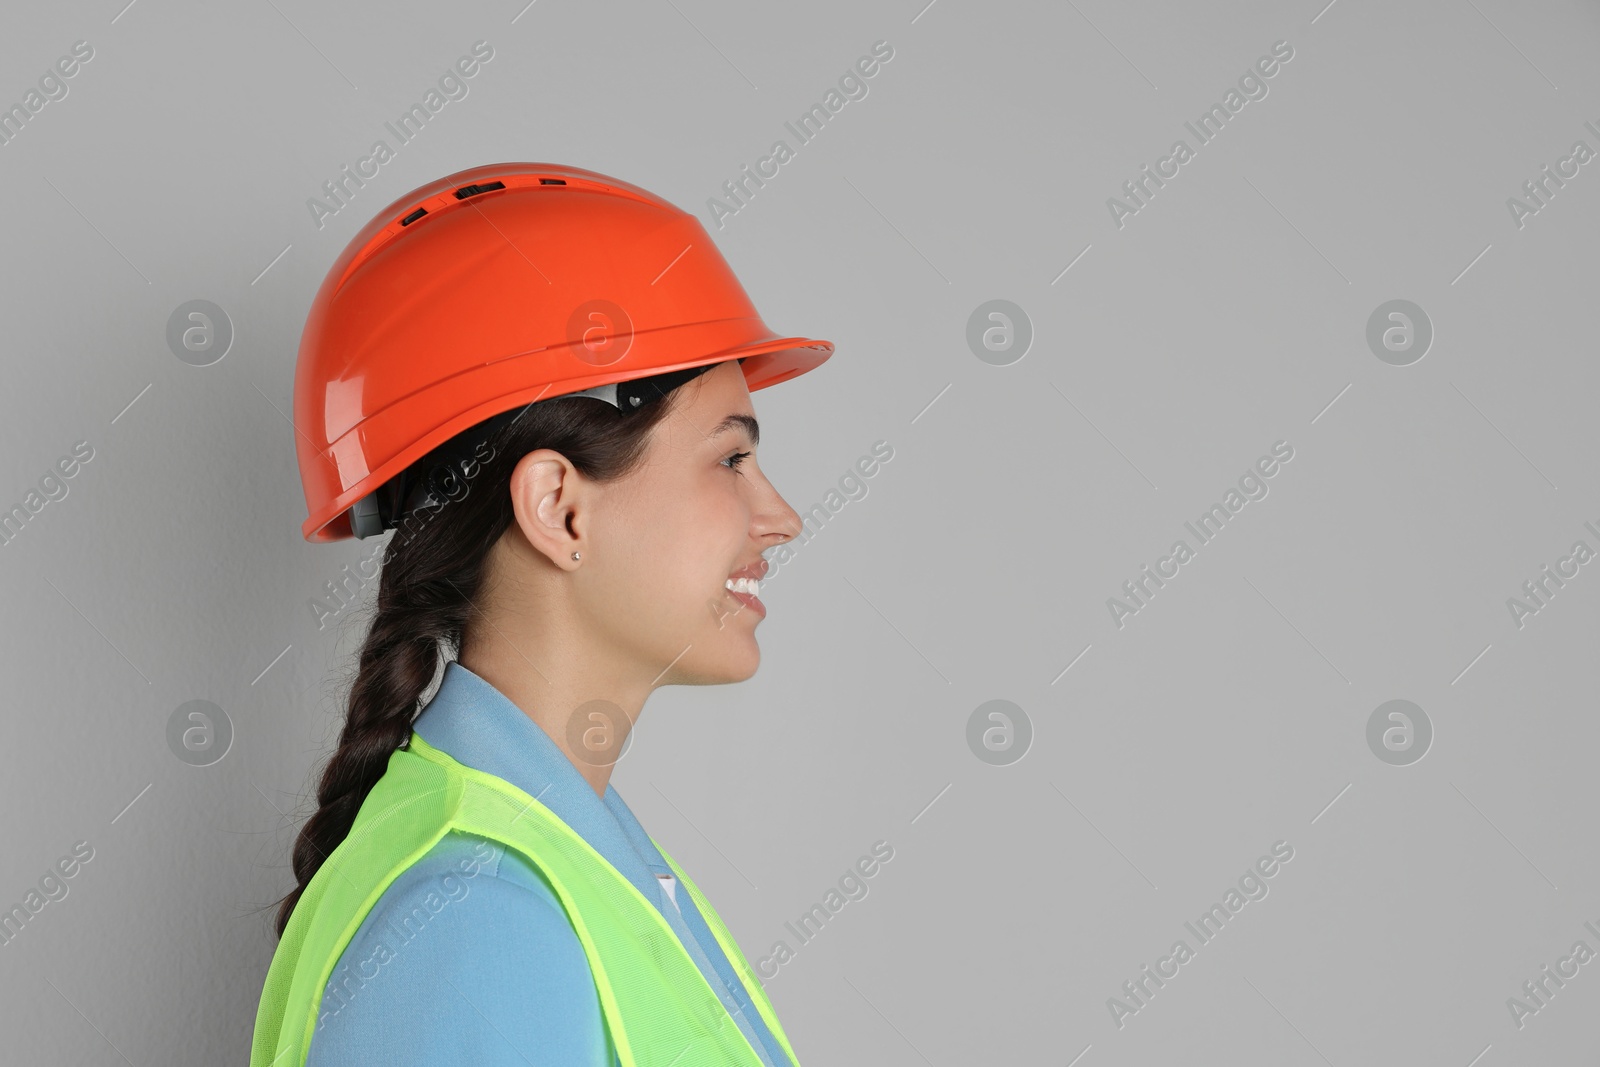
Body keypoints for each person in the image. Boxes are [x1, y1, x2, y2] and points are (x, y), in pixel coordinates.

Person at [249, 163, 833, 1067]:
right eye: (729, 459)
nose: (780, 516)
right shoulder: (478, 920)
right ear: (560, 507)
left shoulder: (567, 862)